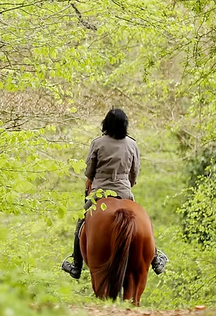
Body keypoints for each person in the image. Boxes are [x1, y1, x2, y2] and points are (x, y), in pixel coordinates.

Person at [61, 108, 168, 279]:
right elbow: (134, 172)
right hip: (124, 192)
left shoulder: (97, 143)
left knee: (81, 222)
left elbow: (89, 172)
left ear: (106, 124)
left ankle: (76, 265)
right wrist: (127, 185)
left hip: (99, 193)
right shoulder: (132, 144)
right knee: (142, 221)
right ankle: (155, 258)